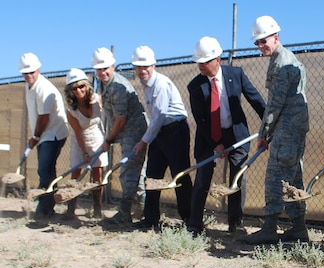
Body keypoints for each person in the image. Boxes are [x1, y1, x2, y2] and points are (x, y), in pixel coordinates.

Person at [238, 15, 310, 245]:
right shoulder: (285, 59)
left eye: (263, 41)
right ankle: (299, 228)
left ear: (276, 37)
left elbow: (275, 104)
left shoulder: (281, 63)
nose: (260, 46)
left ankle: (269, 228)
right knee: (293, 178)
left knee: (275, 177)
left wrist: (264, 134)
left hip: (286, 129)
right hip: (293, 128)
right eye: (257, 43)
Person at [186, 37, 266, 236]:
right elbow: (201, 120)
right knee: (202, 178)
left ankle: (235, 223)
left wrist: (269, 124)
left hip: (236, 134)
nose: (200, 66)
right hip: (208, 137)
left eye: (204, 62)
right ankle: (194, 224)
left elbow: (255, 99)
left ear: (217, 60)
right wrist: (216, 144)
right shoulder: (195, 86)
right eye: (198, 62)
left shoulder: (236, 74)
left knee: (237, 177)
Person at [130, 46, 193, 229]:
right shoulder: (145, 83)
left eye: (146, 66)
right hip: (159, 131)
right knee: (152, 175)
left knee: (179, 175)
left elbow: (159, 116)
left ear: (153, 65)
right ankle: (151, 219)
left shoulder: (160, 84)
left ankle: (189, 220)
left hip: (175, 131)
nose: (142, 71)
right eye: (138, 67)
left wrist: (144, 141)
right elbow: (156, 120)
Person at [92, 47, 148, 227]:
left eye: (105, 68)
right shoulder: (103, 84)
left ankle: (125, 213)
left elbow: (121, 119)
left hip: (134, 129)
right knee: (135, 172)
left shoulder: (118, 86)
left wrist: (108, 140)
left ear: (113, 66)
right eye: (99, 69)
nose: (102, 72)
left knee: (128, 169)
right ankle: (142, 209)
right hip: (125, 130)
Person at [19, 53, 69, 219]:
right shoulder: (29, 86)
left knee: (44, 169)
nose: (29, 75)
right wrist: (36, 136)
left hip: (53, 134)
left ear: (38, 69)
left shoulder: (44, 88)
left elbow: (44, 117)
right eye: (26, 73)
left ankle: (45, 208)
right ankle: (48, 206)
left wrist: (35, 136)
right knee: (47, 170)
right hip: (43, 134)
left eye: (32, 72)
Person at [63, 68, 109, 219]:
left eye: (81, 86)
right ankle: (71, 209)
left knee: (97, 175)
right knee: (76, 174)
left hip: (97, 139)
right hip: (80, 141)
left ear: (86, 86)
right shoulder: (71, 109)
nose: (78, 90)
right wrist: (84, 153)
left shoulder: (97, 99)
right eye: (74, 88)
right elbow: (77, 132)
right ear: (70, 90)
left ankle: (97, 209)